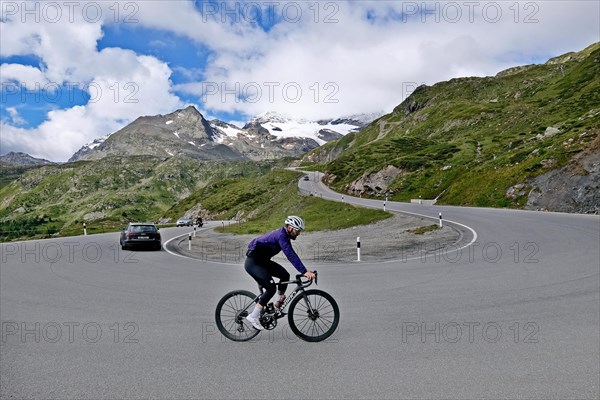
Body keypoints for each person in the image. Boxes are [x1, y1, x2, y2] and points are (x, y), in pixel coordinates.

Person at [244, 216, 316, 330]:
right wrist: (305, 271)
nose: (298, 234)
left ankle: (279, 303)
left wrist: (305, 270)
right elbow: (291, 255)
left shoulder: (284, 236)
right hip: (253, 263)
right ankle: (253, 316)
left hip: (262, 262)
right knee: (271, 288)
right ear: (290, 228)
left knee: (284, 275)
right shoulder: (281, 236)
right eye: (297, 231)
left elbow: (291, 253)